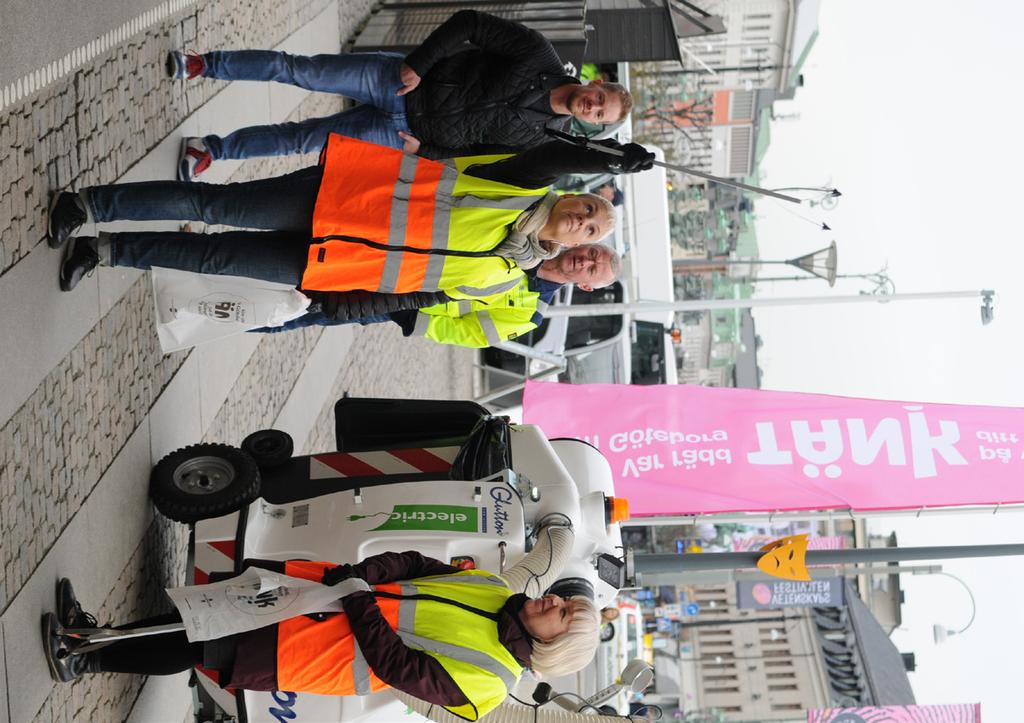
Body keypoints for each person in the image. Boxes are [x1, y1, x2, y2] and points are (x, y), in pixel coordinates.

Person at [51, 134, 653, 300]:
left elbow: (414, 292)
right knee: (210, 208)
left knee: (213, 255)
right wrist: (612, 159)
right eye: (589, 211)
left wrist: (341, 300)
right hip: (335, 202)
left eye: (595, 232)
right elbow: (553, 154)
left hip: (334, 264)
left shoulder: (506, 277)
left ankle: (102, 251)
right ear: (574, 198)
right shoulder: (519, 188)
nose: (586, 226)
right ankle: (89, 206)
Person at [43, 551, 600, 721]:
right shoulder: (489, 586)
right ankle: (92, 637)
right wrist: (364, 576)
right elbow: (415, 563)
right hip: (316, 596)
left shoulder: (491, 683)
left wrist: (357, 595)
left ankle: (87, 657)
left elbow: (397, 668)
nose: (555, 601)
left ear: (553, 644)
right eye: (566, 599)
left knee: (197, 643)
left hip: (310, 647)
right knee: (202, 613)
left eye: (563, 615)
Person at [166, 9, 634, 179]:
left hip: (403, 133)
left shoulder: (540, 137)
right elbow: (469, 23)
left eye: (599, 116)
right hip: (399, 80)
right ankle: (203, 64)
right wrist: (418, 64)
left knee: (301, 140)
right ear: (594, 84)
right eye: (600, 98)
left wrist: (424, 151)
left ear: (592, 123)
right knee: (301, 72)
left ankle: (209, 151)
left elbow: (475, 156)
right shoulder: (539, 54)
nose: (593, 107)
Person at [256, 243, 621, 348]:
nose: (586, 261)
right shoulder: (531, 243)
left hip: (405, 304)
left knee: (309, 311)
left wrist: (413, 318)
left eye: (593, 269)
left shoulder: (531, 313)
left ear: (586, 286)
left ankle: (238, 319)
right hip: (405, 264)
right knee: (309, 267)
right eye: (593, 254)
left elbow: (470, 333)